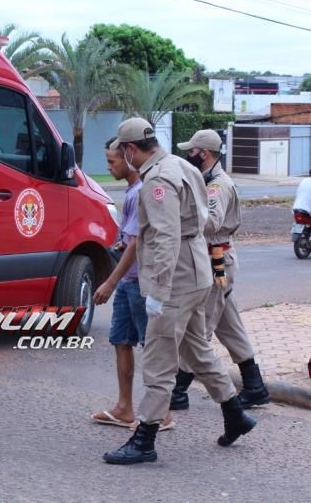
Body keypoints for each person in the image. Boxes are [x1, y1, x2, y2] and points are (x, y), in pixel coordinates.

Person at [102, 118, 256, 466]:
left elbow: (166, 236)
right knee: (197, 349)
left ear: (129, 150)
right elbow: (201, 216)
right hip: (198, 268)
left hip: (176, 277)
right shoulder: (182, 165)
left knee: (158, 359)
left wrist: (158, 289)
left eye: (121, 154)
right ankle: (235, 413)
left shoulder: (157, 178)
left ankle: (145, 438)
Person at [169, 130, 270, 411]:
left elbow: (211, 222)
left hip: (216, 262)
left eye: (192, 150)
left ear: (205, 153)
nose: (188, 155)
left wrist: (182, 221)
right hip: (218, 260)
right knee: (229, 327)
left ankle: (177, 390)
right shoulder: (208, 181)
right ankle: (254, 386)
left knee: (200, 329)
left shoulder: (217, 187)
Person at [91, 139, 174, 432]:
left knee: (150, 348)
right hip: (128, 282)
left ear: (129, 156)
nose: (108, 167)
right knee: (121, 342)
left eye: (112, 161)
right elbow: (131, 239)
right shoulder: (132, 191)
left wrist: (110, 282)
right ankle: (125, 408)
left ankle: (161, 414)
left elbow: (137, 244)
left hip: (139, 283)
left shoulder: (141, 191)